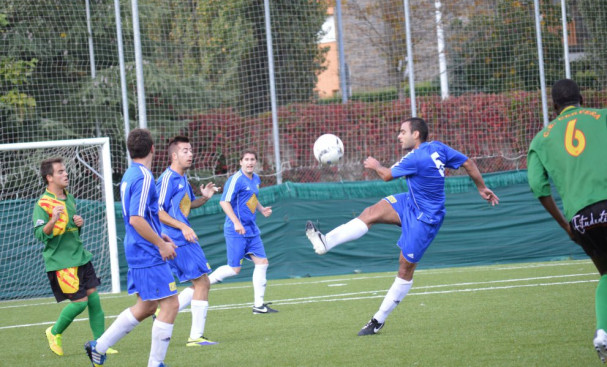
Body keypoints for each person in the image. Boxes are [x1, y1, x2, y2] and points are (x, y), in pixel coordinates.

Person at [306, 117, 499, 336]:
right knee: (371, 213)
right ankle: (326, 242)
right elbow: (468, 162)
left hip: (426, 219)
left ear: (416, 134)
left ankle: (378, 320)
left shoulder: (416, 157)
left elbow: (387, 175)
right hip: (411, 202)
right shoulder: (438, 148)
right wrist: (481, 187)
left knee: (405, 268)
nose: (399, 136)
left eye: (402, 132)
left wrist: (375, 165)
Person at [526, 79, 607, 363]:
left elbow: (538, 186)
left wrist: (566, 225)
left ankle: (603, 331)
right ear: (581, 98)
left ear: (553, 105)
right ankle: (604, 332)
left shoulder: (540, 139)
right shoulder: (603, 116)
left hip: (582, 219)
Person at [84, 128, 178, 367]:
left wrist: (160, 234)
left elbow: (142, 216)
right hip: (147, 251)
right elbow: (136, 218)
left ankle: (99, 347)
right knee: (170, 304)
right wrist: (159, 244)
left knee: (147, 306)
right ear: (153, 149)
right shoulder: (144, 176)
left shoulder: (129, 174)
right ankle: (155, 363)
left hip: (138, 247)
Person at [33, 157, 117, 356]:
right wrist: (52, 219)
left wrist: (79, 224)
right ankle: (54, 332)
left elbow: (71, 230)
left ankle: (101, 344)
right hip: (62, 262)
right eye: (60, 171)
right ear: (49, 177)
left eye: (65, 171)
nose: (66, 174)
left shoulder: (69, 198)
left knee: (94, 300)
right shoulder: (43, 204)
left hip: (80, 256)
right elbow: (39, 234)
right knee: (80, 303)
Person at [156, 136, 221, 346]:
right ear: (174, 155)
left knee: (200, 283)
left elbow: (185, 206)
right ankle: (195, 337)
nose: (190, 154)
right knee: (202, 282)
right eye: (185, 150)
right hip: (176, 238)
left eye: (191, 150)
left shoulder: (182, 178)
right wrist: (183, 227)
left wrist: (204, 198)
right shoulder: (167, 179)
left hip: (184, 237)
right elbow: (157, 211)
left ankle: (165, 312)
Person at [207, 149, 278, 314]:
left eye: (252, 159)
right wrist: (236, 222)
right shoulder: (236, 179)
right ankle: (204, 283)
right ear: (241, 162)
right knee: (234, 270)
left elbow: (252, 198)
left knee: (262, 263)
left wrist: (261, 209)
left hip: (251, 229)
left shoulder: (256, 178)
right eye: (246, 159)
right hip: (236, 230)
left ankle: (258, 306)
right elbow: (224, 202)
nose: (250, 162)